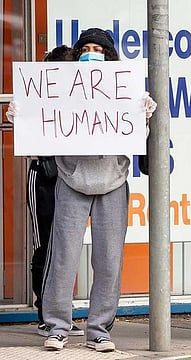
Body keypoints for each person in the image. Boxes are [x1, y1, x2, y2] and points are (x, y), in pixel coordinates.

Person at [41, 28, 156, 352]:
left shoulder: (125, 91)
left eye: (99, 49)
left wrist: (143, 118)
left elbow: (134, 136)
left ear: (109, 56)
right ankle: (58, 327)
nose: (93, 54)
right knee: (62, 258)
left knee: (109, 261)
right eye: (87, 49)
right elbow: (42, 122)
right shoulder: (62, 91)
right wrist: (22, 117)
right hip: (72, 180)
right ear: (78, 56)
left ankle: (99, 330)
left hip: (112, 183)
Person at [7, 45, 85, 338]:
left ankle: (61, 315)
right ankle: (46, 314)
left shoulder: (86, 99)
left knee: (66, 247)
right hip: (44, 176)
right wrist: (18, 116)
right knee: (45, 247)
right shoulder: (37, 97)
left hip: (72, 177)